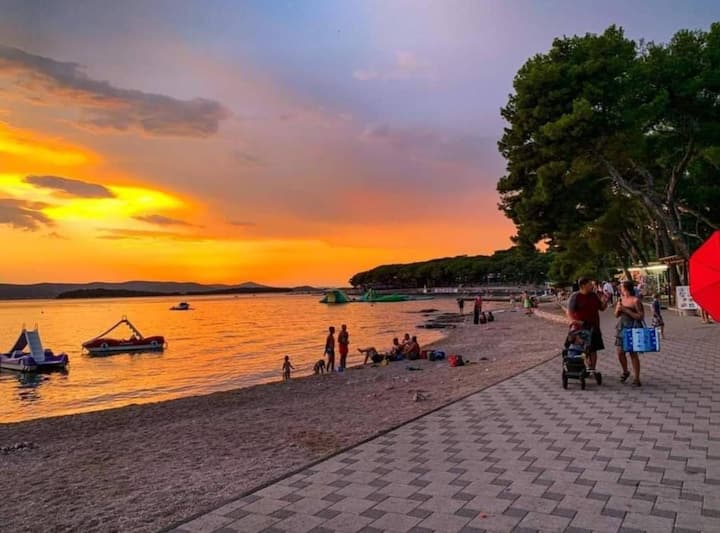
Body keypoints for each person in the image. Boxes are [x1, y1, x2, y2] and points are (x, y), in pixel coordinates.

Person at [567, 277, 608, 374]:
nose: (592, 286)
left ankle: (592, 369)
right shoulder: (575, 296)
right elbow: (569, 312)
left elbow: (601, 308)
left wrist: (605, 302)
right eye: (590, 284)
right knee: (582, 349)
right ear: (583, 286)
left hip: (594, 326)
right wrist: (574, 321)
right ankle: (583, 367)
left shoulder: (594, 295)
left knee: (593, 349)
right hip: (580, 328)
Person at [615, 280, 645, 387]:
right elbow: (616, 315)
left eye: (622, 286)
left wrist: (626, 310)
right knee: (620, 352)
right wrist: (618, 309)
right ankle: (625, 371)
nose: (620, 288)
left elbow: (640, 316)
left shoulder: (635, 300)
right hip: (621, 328)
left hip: (632, 328)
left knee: (633, 353)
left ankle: (637, 378)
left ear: (626, 288)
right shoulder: (621, 299)